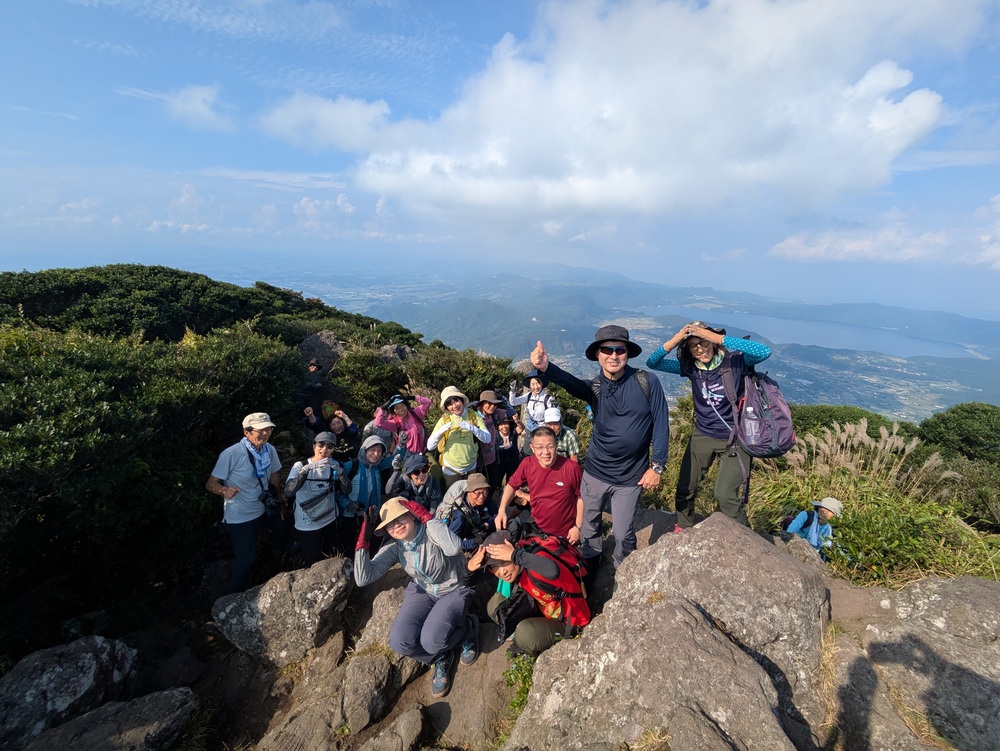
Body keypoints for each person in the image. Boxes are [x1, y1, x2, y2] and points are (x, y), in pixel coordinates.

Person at [529, 325, 670, 569]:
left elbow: (660, 422)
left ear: (627, 353)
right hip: (595, 472)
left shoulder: (647, 382)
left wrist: (657, 466)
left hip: (631, 477)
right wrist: (545, 368)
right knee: (590, 523)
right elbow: (570, 383)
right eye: (607, 349)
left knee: (623, 533)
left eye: (620, 350)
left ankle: (622, 571)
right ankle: (590, 562)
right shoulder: (595, 388)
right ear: (597, 354)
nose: (614, 355)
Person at [646, 321, 773, 528]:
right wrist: (677, 339)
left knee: (725, 494)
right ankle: (684, 526)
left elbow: (764, 351)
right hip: (703, 434)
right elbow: (653, 363)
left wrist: (716, 337)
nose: (700, 348)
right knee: (686, 487)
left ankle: (745, 538)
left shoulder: (735, 363)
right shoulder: (691, 368)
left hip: (736, 437)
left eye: (703, 342)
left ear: (713, 342)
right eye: (693, 345)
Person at [354, 497, 479, 698]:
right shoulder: (396, 546)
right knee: (399, 641)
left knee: (431, 639)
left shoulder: (431, 530)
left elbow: (454, 548)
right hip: (423, 590)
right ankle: (440, 657)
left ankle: (467, 631)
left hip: (454, 587)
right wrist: (363, 541)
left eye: (400, 518)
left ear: (412, 514)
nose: (396, 526)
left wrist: (428, 518)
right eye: (390, 525)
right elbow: (363, 578)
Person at [468, 530, 591, 658]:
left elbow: (553, 570)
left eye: (504, 562)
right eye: (495, 567)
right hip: (545, 607)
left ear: (514, 550)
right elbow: (469, 582)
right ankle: (535, 632)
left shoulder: (531, 562)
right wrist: (469, 569)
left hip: (572, 620)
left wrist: (515, 556)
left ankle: (537, 645)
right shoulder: (521, 550)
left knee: (525, 634)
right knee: (494, 606)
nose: (502, 572)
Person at [205, 412, 291, 593]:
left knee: (283, 526)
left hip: (263, 507)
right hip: (241, 516)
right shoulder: (232, 454)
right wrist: (223, 490)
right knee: (246, 559)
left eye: (268, 429)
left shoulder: (269, 449)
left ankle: (276, 557)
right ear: (247, 432)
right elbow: (211, 483)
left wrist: (279, 501)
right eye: (260, 430)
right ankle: (231, 602)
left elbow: (274, 475)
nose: (265, 434)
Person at [495, 426, 583, 542]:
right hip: (536, 530)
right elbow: (511, 485)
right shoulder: (528, 464)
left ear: (557, 445)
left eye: (550, 446)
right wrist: (501, 510)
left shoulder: (571, 468)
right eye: (540, 447)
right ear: (532, 448)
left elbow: (582, 497)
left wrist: (578, 527)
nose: (545, 452)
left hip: (565, 534)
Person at [284, 432, 351, 566]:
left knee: (331, 555)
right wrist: (304, 471)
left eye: (330, 446)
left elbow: (347, 490)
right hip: (307, 524)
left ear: (333, 450)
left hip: (330, 518)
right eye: (321, 445)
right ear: (314, 446)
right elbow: (289, 492)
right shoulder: (299, 466)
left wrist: (340, 472)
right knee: (311, 558)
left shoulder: (334, 466)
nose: (324, 449)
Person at [337, 434, 402, 554]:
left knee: (365, 542)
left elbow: (395, 459)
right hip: (350, 516)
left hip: (369, 514)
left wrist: (401, 446)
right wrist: (348, 504)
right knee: (349, 545)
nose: (376, 454)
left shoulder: (377, 466)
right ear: (365, 450)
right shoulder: (351, 466)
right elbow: (336, 491)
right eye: (372, 450)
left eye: (379, 451)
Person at [427, 386, 491, 490]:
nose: (454, 406)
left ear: (461, 400)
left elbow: (487, 438)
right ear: (447, 407)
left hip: (471, 465)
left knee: (470, 495)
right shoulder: (445, 420)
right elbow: (430, 446)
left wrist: (472, 428)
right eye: (449, 404)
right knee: (454, 498)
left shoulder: (473, 416)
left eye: (456, 401)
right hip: (451, 468)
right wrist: (440, 432)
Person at [435, 473, 497, 551]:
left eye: (485, 492)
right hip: (466, 541)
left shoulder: (485, 498)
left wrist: (486, 525)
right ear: (468, 491)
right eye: (478, 493)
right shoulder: (459, 516)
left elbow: (496, 515)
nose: (481, 496)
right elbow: (451, 543)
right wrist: (474, 542)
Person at [508, 370, 558, 455]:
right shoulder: (529, 396)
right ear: (529, 386)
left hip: (542, 428)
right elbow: (513, 402)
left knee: (540, 451)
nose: (536, 387)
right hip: (529, 428)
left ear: (542, 384)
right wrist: (512, 391)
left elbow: (555, 416)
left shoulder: (549, 399)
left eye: (538, 383)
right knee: (527, 451)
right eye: (533, 384)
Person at [472, 390, 509, 491]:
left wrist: (503, 400)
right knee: (479, 488)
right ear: (482, 403)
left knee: (492, 486)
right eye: (489, 403)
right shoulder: (474, 417)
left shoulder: (494, 415)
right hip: (479, 461)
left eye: (495, 404)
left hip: (492, 459)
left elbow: (510, 412)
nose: (492, 406)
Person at [495, 417, 521, 486]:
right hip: (500, 462)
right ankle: (497, 492)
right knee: (497, 479)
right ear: (498, 427)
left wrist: (517, 420)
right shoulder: (495, 435)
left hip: (513, 461)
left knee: (511, 480)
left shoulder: (513, 432)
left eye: (506, 423)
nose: (504, 426)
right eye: (501, 424)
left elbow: (521, 428)